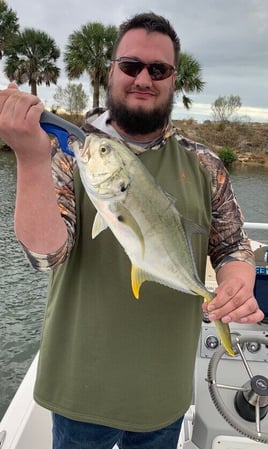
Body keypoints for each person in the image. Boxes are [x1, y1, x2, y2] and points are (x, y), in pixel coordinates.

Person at [0, 12, 264, 449]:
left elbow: (233, 243)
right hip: (79, 391)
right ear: (112, 71)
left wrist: (239, 276)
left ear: (173, 79)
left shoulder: (205, 164)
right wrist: (29, 158)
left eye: (158, 69)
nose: (144, 77)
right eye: (131, 65)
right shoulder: (74, 153)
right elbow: (45, 255)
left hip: (165, 393)